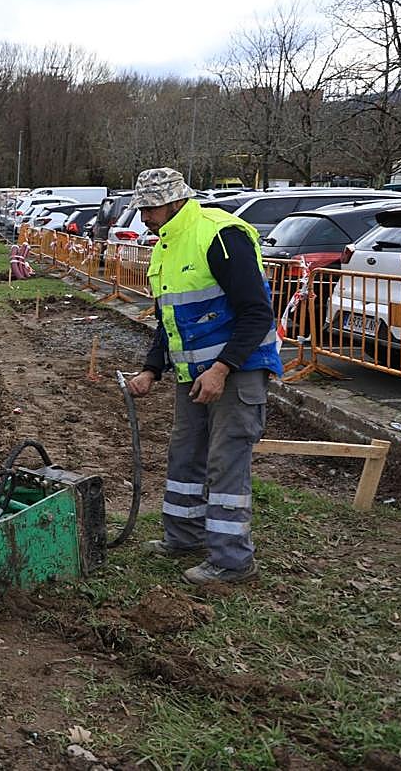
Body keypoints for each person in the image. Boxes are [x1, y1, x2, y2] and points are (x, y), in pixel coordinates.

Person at [125, 168, 282, 585]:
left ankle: (232, 561)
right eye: (140, 208)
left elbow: (256, 312)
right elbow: (169, 320)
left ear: (176, 201)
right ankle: (183, 537)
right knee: (186, 453)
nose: (144, 217)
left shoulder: (220, 235)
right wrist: (150, 369)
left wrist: (221, 368)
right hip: (192, 373)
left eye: (151, 208)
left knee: (225, 461)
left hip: (237, 370)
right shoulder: (165, 247)